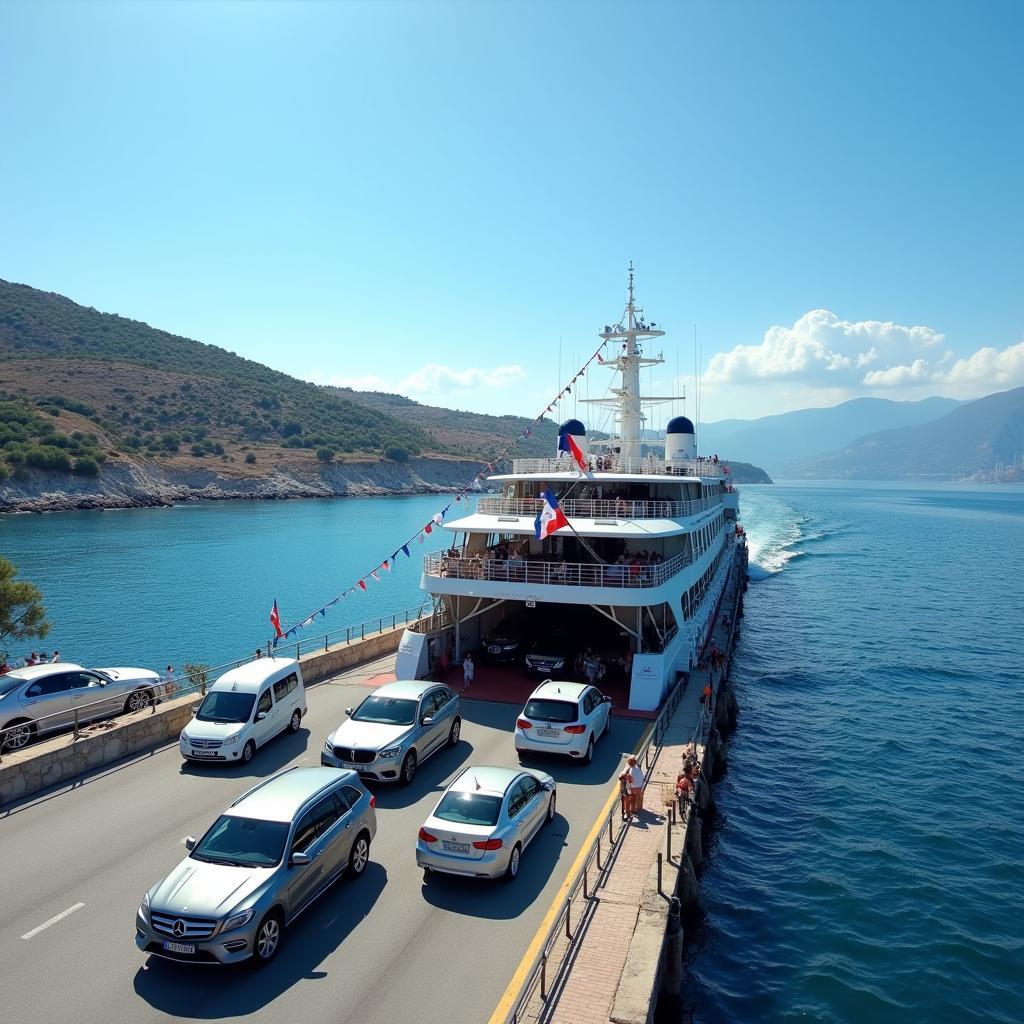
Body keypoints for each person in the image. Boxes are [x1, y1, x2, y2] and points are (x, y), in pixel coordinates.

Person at [621, 756, 645, 822]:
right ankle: (633, 810)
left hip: (632, 788)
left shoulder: (630, 771)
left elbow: (630, 781)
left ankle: (627, 812)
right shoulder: (638, 769)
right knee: (634, 799)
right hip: (639, 787)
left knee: (628, 799)